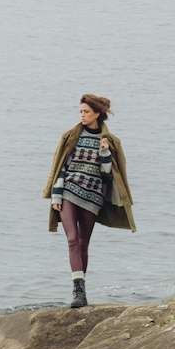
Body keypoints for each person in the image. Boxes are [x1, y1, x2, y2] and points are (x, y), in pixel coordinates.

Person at [42, 93, 136, 308]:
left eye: (86, 112)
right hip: (68, 192)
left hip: (93, 196)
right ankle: (78, 289)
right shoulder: (71, 136)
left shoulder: (109, 141)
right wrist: (56, 195)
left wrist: (104, 152)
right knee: (73, 239)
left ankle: (82, 294)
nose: (82, 115)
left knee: (84, 243)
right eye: (81, 111)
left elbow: (107, 175)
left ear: (97, 114)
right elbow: (61, 167)